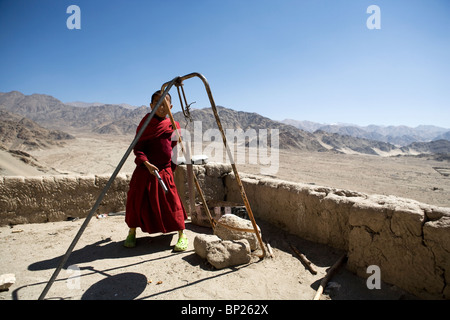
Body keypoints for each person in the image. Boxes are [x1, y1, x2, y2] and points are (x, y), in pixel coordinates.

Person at [124, 91, 188, 251]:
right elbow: (137, 148)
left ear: (171, 107)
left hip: (164, 171)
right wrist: (146, 163)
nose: (161, 107)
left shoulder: (173, 124)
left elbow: (174, 150)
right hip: (145, 171)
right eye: (158, 104)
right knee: (137, 202)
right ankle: (132, 232)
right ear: (151, 105)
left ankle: (182, 235)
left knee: (172, 202)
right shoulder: (146, 124)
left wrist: (171, 168)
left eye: (165, 104)